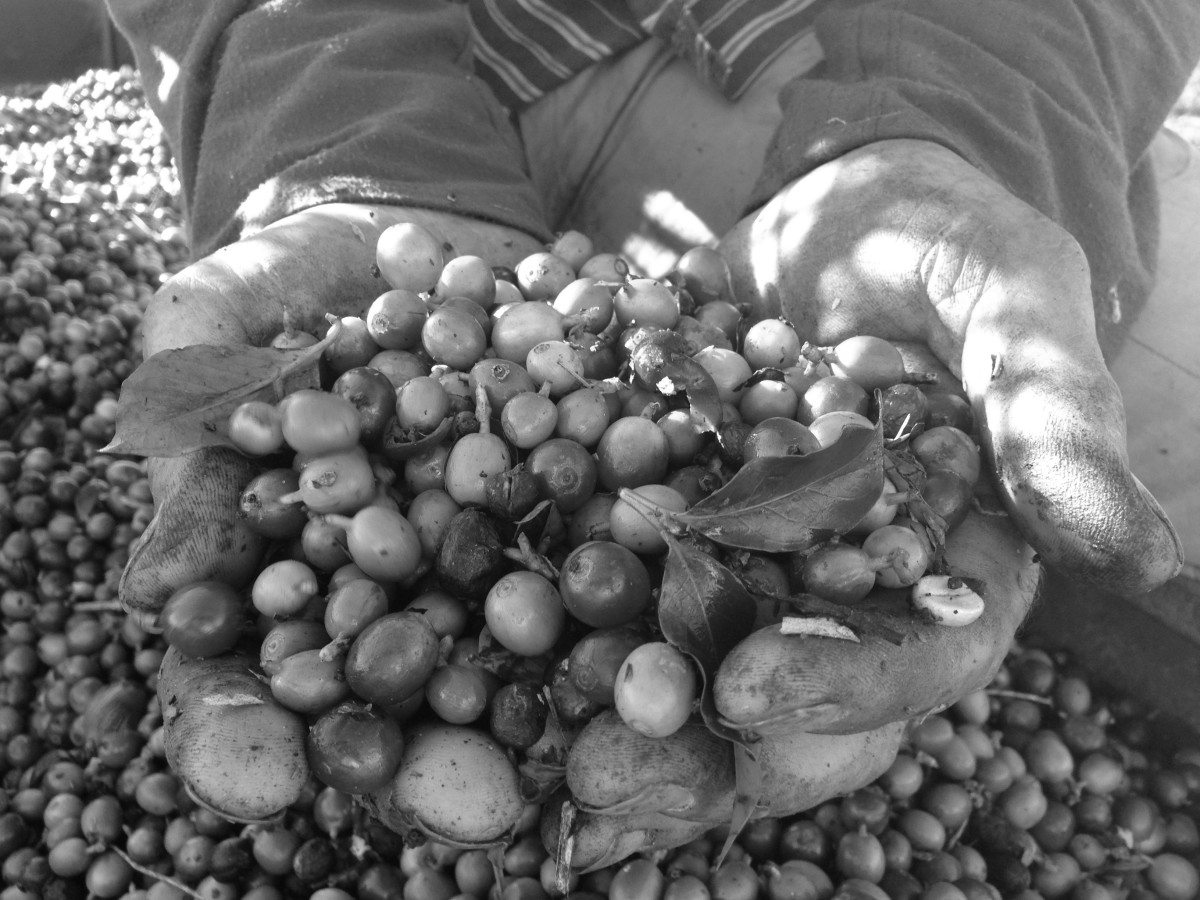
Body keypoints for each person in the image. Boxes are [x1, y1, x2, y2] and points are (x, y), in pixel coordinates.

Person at [103, 0, 1199, 869]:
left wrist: (974, 128)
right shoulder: (491, 452)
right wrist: (331, 132)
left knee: (1132, 459)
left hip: (873, 70)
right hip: (436, 64)